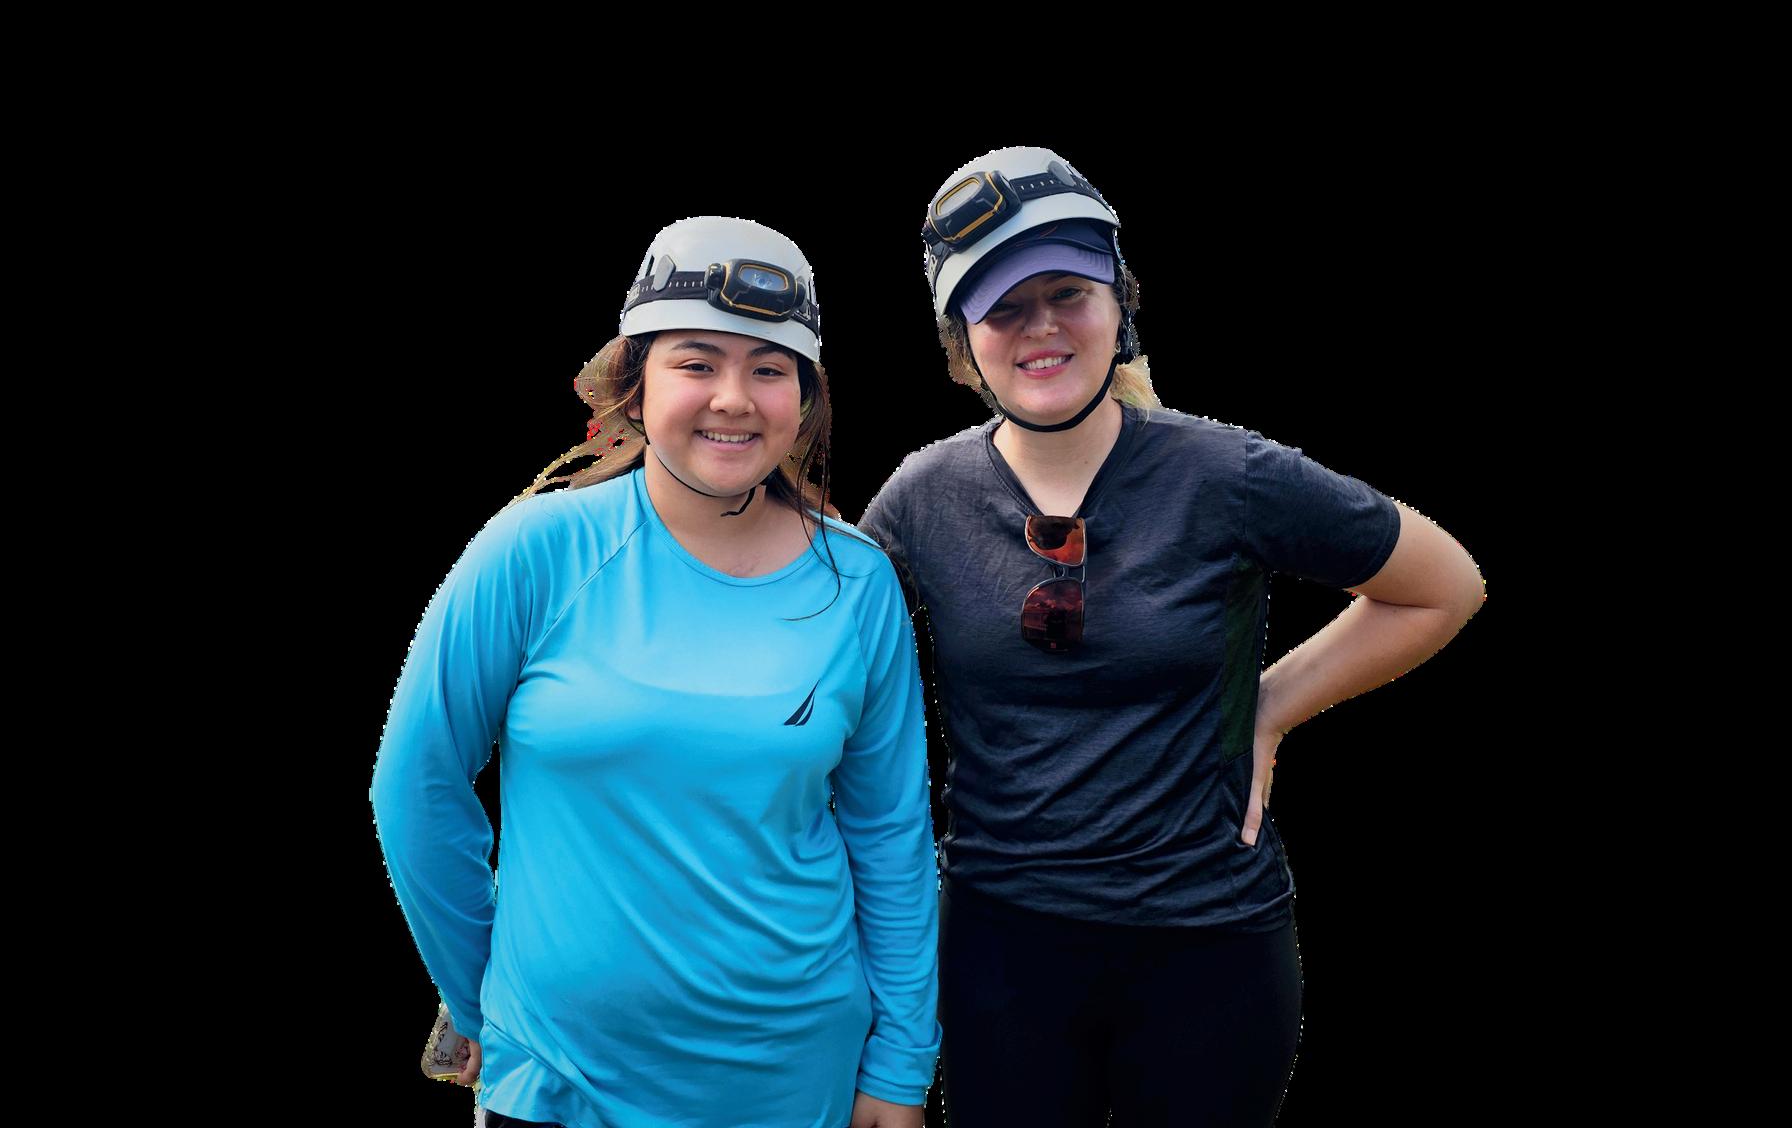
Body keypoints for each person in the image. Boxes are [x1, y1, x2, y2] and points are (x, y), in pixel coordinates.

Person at [856, 148, 1486, 1128]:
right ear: (961, 344)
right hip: (1000, 956)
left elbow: (1442, 587)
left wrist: (1271, 705)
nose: (1041, 327)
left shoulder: (1229, 474)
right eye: (1003, 308)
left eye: (1067, 293)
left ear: (1121, 301)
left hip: (1211, 952)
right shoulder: (920, 497)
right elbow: (828, 672)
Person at [370, 217, 941, 1128]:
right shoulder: (535, 549)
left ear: (805, 397)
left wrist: (902, 1065)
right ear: (636, 387)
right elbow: (416, 785)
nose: (734, 399)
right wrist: (481, 997)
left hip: (796, 1083)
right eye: (697, 363)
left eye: (769, 368)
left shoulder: (859, 583)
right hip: (557, 1083)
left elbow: (891, 835)